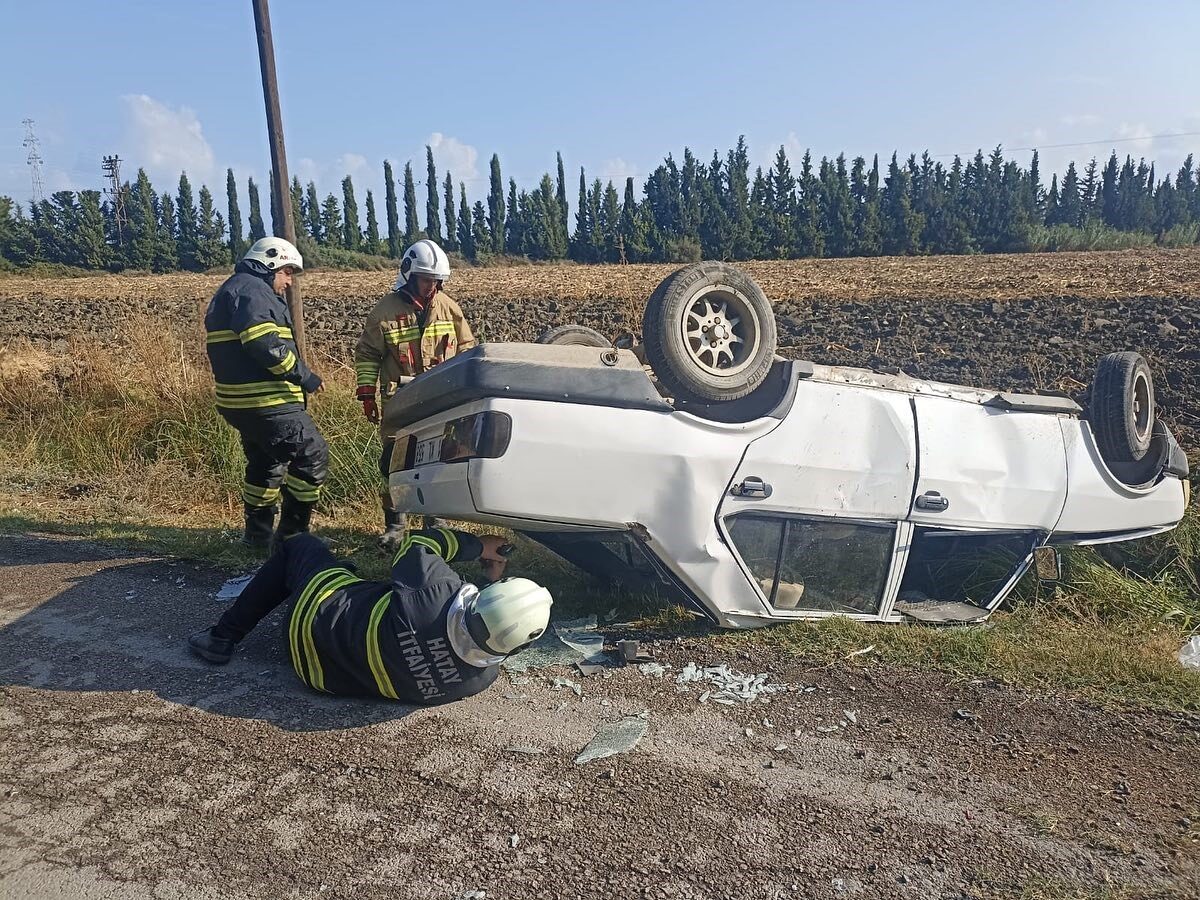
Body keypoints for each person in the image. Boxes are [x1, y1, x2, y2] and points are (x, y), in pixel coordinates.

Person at [187, 528, 553, 704]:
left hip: (311, 615)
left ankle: (222, 637)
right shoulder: (480, 679)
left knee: (301, 548)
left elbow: (418, 543)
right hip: (320, 678)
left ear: (482, 599)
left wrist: (481, 546)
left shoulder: (434, 590)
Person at [204, 237, 327, 551]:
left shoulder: (233, 289)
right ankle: (292, 539)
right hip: (266, 401)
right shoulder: (253, 291)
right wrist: (305, 377)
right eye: (287, 272)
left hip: (240, 402)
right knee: (312, 455)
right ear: (270, 263)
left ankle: (257, 538)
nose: (288, 282)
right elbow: (264, 344)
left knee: (266, 463)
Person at [353, 239, 476, 548]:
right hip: (401, 403)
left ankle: (435, 523)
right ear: (408, 274)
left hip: (440, 403)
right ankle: (395, 526)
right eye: (425, 279)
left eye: (436, 280)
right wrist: (367, 394)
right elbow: (368, 355)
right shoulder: (385, 311)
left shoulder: (449, 309)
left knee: (437, 462)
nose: (431, 286)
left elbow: (466, 349)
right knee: (394, 465)